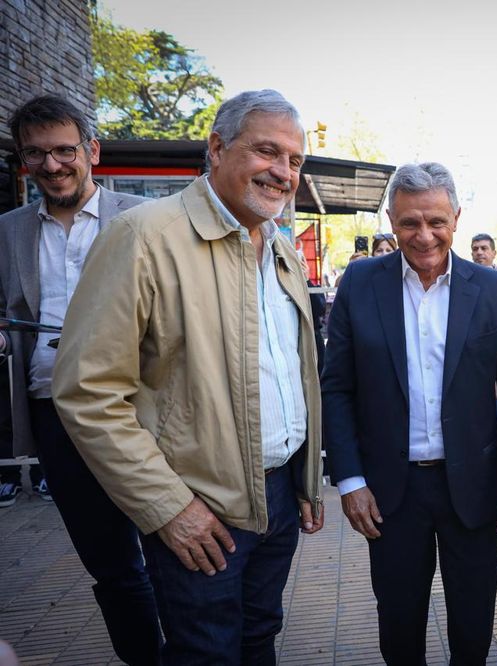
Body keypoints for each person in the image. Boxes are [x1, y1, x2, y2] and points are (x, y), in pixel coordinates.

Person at [52, 89, 325, 665]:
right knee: (206, 653)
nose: (283, 172)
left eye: (295, 161)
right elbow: (87, 393)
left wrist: (302, 480)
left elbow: (291, 372)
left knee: (258, 640)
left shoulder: (283, 252)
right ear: (218, 147)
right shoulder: (142, 238)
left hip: (277, 496)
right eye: (267, 152)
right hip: (198, 505)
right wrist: (167, 507)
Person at [323, 162, 497, 665]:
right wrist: (350, 479)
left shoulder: (490, 289)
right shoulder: (361, 283)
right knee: (398, 626)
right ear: (391, 218)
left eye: (436, 222)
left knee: (473, 626)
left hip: (475, 488)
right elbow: (336, 387)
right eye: (409, 223)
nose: (423, 236)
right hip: (389, 492)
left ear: (457, 218)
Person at [0, 94, 160, 664]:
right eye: (35, 154)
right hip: (56, 417)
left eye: (64, 150)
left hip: (143, 413)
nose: (52, 165)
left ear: (90, 150)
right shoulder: (8, 231)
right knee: (110, 565)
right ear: (23, 161)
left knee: (169, 548)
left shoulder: (145, 219)